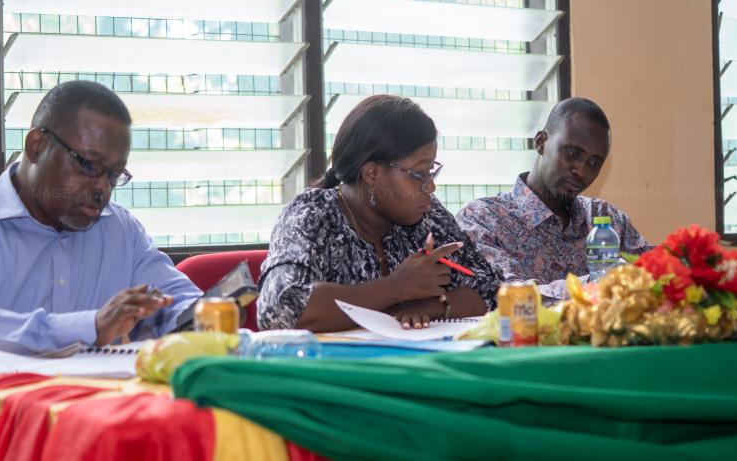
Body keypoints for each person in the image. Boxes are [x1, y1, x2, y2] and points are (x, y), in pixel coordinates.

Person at [0, 81, 202, 357]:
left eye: (114, 174)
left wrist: (206, 316)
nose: (102, 188)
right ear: (36, 146)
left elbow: (174, 299)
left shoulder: (120, 228)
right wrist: (89, 327)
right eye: (89, 165)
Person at [258, 95, 500, 332]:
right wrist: (396, 288)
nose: (431, 187)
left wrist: (428, 307)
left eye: (431, 171)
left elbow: (491, 289)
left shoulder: (428, 215)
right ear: (372, 174)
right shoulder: (312, 214)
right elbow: (281, 309)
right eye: (419, 174)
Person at [457, 97, 649, 306]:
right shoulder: (483, 218)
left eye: (594, 163)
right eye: (572, 153)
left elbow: (656, 276)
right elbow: (504, 296)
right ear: (541, 142)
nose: (582, 171)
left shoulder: (608, 220)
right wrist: (599, 284)